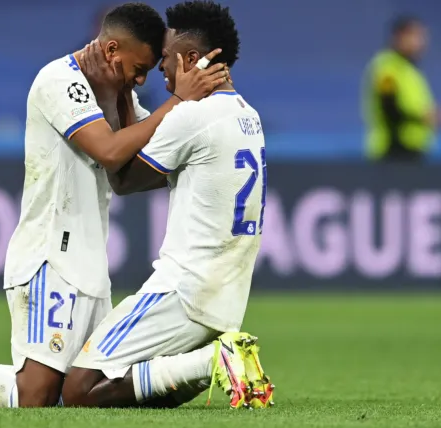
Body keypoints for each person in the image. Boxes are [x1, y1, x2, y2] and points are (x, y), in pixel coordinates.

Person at [0, 2, 229, 409]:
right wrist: (177, 102)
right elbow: (112, 152)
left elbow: (136, 158)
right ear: (112, 50)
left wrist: (150, 101)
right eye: (138, 68)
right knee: (37, 397)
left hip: (92, 266)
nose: (144, 78)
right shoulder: (60, 81)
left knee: (82, 394)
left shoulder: (113, 92)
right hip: (49, 257)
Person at [60, 1, 273, 409]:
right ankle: (211, 359)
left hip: (181, 290)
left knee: (77, 390)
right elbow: (159, 170)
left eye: (169, 56)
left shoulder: (192, 116)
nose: (159, 66)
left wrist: (117, 90)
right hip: (226, 302)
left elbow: (122, 178)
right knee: (140, 385)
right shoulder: (248, 116)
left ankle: (211, 362)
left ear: (192, 59)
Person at [362, 16, 441, 163]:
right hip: (392, 151)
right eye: (416, 36)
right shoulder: (387, 67)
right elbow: (389, 108)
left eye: (422, 37)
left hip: (412, 151)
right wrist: (423, 118)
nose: (421, 42)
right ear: (400, 36)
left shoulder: (410, 69)